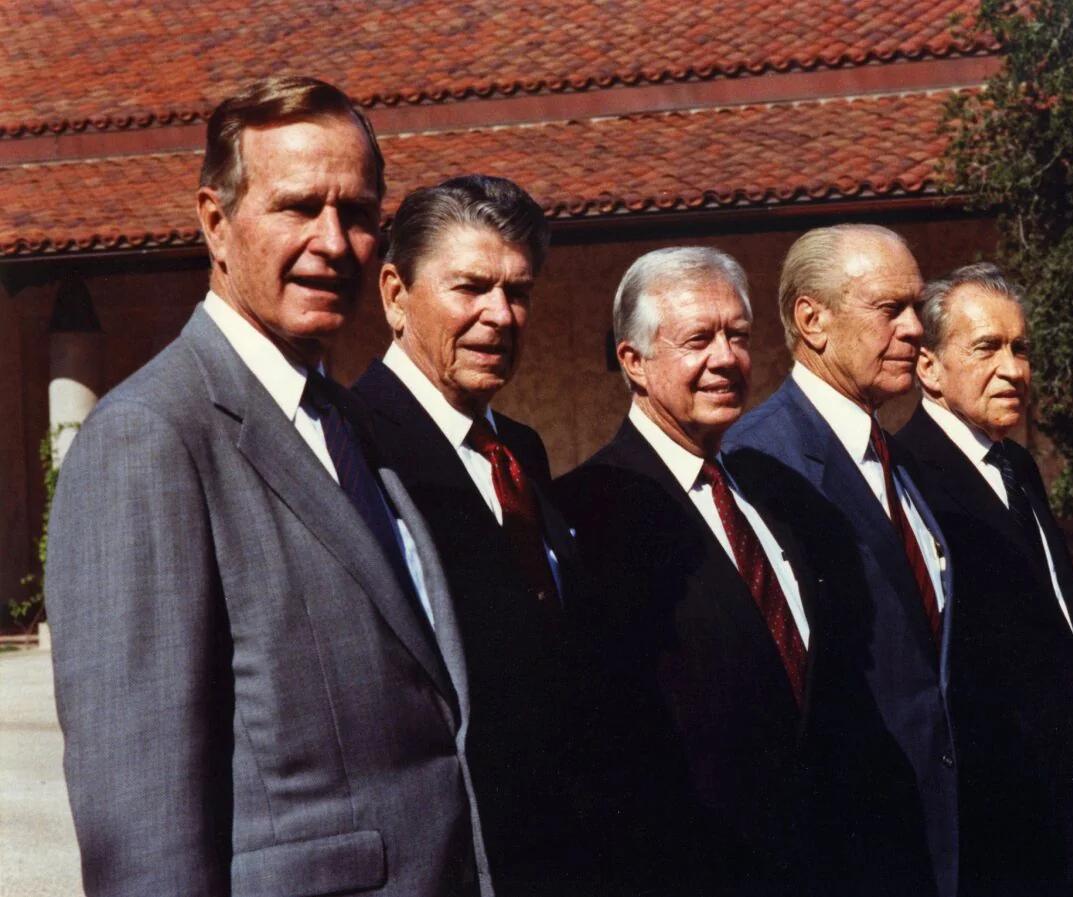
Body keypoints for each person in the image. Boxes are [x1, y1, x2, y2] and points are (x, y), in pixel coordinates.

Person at [45, 77, 487, 897]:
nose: (333, 241)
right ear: (215, 222)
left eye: (358, 214)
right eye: (297, 207)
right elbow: (142, 825)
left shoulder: (351, 424)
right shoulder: (150, 439)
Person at [555, 247, 823, 897]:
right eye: (698, 339)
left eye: (738, 335)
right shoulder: (587, 513)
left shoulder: (771, 498)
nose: (726, 358)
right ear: (633, 361)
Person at [352, 175, 592, 895]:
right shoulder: (353, 445)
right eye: (471, 288)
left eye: (518, 292)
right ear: (395, 295)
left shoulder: (519, 448)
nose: (500, 315)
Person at [723, 224, 958, 897]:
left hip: (930, 841)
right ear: (812, 319)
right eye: (890, 309)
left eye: (917, 306)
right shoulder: (761, 464)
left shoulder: (891, 455)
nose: (916, 328)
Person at [894, 263, 1073, 897]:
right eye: (986, 348)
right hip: (989, 838)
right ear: (928, 368)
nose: (1014, 369)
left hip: (1058, 823)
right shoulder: (902, 477)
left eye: (1021, 348)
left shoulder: (1016, 464)